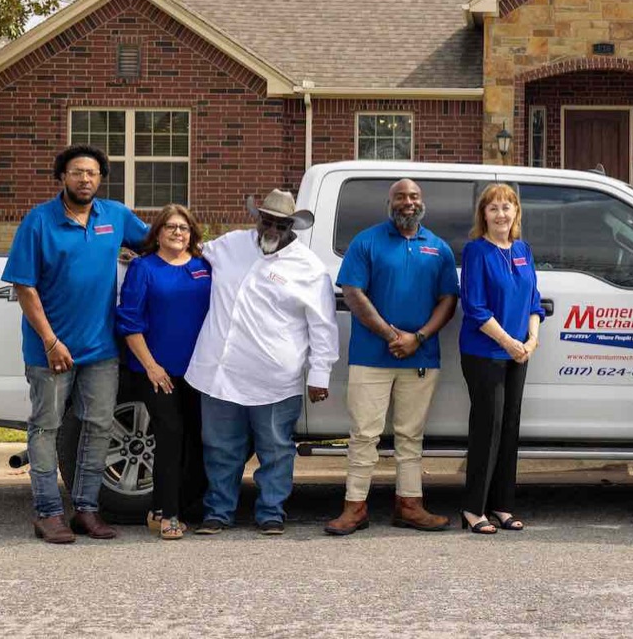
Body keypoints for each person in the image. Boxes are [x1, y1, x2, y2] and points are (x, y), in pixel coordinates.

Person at [2, 145, 148, 544]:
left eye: (92, 173)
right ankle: (48, 513)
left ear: (101, 178)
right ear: (62, 177)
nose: (85, 179)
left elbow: (157, 244)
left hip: (101, 348)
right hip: (51, 350)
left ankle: (86, 510)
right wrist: (51, 342)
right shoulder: (38, 222)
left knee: (99, 426)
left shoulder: (114, 216)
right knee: (46, 427)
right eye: (77, 172)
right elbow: (24, 287)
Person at [184, 189, 338, 536]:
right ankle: (218, 511)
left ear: (291, 226)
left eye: (279, 224)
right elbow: (185, 253)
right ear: (257, 218)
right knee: (220, 448)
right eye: (265, 220)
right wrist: (138, 255)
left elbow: (323, 326)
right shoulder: (230, 245)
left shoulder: (309, 268)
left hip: (274, 379)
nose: (271, 228)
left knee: (276, 451)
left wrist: (320, 374)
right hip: (219, 373)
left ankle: (271, 511)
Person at [324, 179, 460, 536]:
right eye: (400, 196)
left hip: (420, 357)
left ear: (422, 202)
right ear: (389, 202)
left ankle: (409, 505)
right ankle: (354, 508)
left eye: (414, 196)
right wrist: (390, 335)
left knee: (410, 436)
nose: (407, 202)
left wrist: (417, 338)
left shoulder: (438, 248)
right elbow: (352, 293)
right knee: (364, 435)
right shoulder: (366, 241)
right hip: (371, 356)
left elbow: (448, 300)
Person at [116, 203, 213, 540]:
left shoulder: (205, 267)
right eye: (170, 226)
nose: (177, 232)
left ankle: (169, 506)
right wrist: (151, 366)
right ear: (157, 233)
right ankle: (168, 515)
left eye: (183, 227)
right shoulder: (144, 268)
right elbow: (130, 322)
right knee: (170, 436)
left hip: (200, 373)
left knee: (199, 441)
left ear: (192, 234)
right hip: (156, 372)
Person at [458, 184, 545, 535]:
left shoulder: (523, 250)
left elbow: (534, 301)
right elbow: (475, 307)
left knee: (510, 429)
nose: (501, 214)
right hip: (485, 353)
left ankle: (502, 506)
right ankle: (472, 508)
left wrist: (532, 339)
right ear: (484, 215)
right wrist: (510, 342)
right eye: (493, 208)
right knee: (487, 429)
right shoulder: (476, 252)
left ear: (516, 213)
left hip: (519, 353)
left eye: (507, 207)